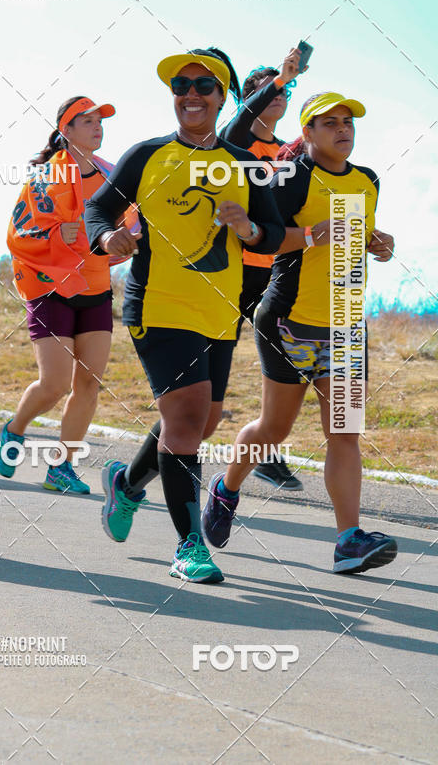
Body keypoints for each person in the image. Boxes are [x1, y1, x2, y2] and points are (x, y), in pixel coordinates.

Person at [85, 49, 285, 584]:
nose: (191, 93)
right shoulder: (147, 155)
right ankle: (189, 546)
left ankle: (126, 485)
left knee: (201, 420)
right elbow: (99, 208)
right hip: (158, 305)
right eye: (181, 84)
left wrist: (249, 232)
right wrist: (108, 236)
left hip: (220, 311)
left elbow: (274, 232)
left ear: (224, 98)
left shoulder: (247, 165)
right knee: (187, 421)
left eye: (204, 85)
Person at [202, 91, 397, 575]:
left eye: (347, 120)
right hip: (289, 321)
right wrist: (311, 234)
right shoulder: (290, 178)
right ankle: (226, 489)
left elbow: (355, 234)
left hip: (347, 323)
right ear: (306, 133)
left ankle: (348, 540)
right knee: (274, 429)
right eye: (328, 122)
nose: (342, 129)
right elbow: (262, 238)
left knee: (345, 434)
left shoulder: (368, 180)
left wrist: (378, 243)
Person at [0, 96, 130, 495]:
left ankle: (61, 467)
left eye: (99, 121)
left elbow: (132, 221)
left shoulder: (112, 175)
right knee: (54, 384)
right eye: (86, 121)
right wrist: (58, 234)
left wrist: (131, 239)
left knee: (88, 383)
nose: (97, 127)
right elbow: (18, 234)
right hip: (51, 286)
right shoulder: (46, 178)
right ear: (65, 131)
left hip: (96, 286)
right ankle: (14, 431)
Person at [221, 47, 307, 491]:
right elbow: (239, 119)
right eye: (269, 89)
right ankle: (157, 459)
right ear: (251, 97)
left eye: (286, 90)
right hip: (228, 270)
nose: (280, 95)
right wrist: (279, 78)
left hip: (268, 272)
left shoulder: (286, 151)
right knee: (206, 379)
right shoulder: (235, 139)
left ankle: (267, 448)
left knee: (277, 360)